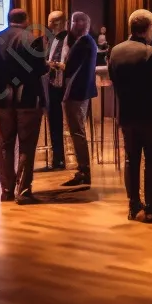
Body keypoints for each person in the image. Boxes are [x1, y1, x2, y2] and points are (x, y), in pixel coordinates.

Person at [108, 10, 152, 222]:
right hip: (150, 115)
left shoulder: (115, 51)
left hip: (127, 114)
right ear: (149, 29)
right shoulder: (150, 52)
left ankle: (133, 205)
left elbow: (113, 78)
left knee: (131, 160)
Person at [0, 8, 49, 204]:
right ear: (26, 20)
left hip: (3, 99)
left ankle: (6, 190)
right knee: (27, 145)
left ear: (8, 19)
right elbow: (40, 70)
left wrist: (2, 86)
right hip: (28, 99)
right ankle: (24, 190)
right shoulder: (33, 39)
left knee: (5, 143)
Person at [61, 11, 98, 188]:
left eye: (75, 21)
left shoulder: (83, 41)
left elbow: (69, 68)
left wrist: (54, 65)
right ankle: (83, 170)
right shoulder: (88, 40)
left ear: (82, 23)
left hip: (75, 92)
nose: (72, 24)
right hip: (80, 92)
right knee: (77, 132)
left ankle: (84, 171)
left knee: (77, 132)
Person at [42, 9, 68, 172]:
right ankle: (57, 159)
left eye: (51, 21)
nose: (49, 24)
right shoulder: (50, 39)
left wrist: (55, 65)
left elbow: (67, 62)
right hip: (52, 84)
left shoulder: (69, 39)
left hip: (65, 86)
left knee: (68, 124)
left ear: (59, 22)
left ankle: (65, 160)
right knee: (54, 122)